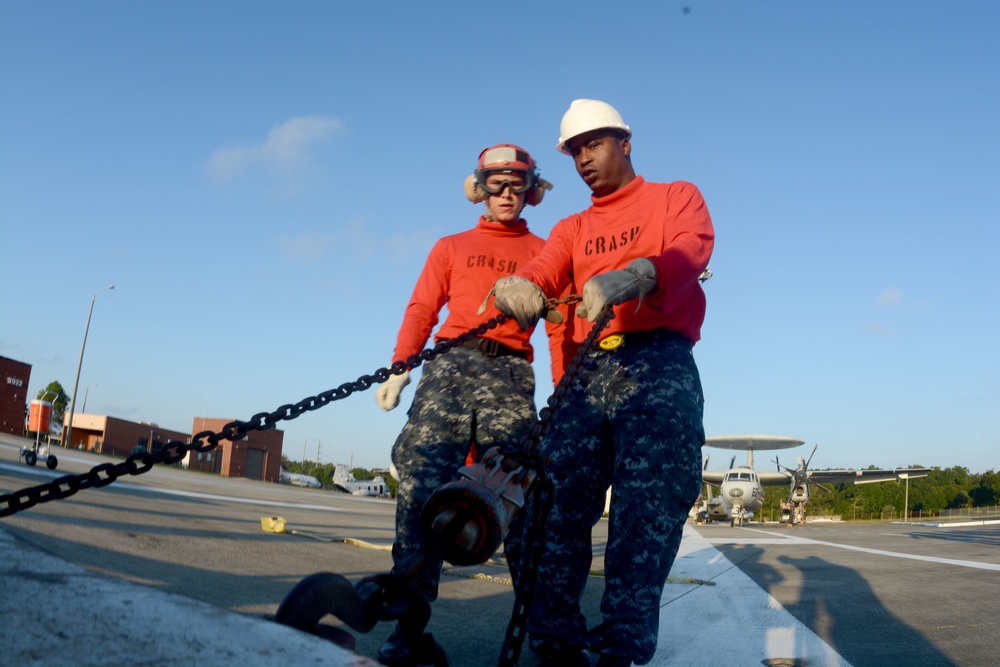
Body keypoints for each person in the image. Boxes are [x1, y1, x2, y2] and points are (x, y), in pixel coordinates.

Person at [485, 99, 715, 667]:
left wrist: (643, 273)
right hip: (587, 374)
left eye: (593, 144)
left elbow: (690, 249)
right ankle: (556, 640)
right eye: (574, 151)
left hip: (656, 360)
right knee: (548, 507)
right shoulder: (573, 227)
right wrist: (524, 285)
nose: (583, 158)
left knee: (647, 505)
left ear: (625, 142)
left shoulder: (674, 196)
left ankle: (620, 647)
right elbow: (546, 267)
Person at [374, 143, 564, 666]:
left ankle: (545, 637)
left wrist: (563, 389)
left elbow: (559, 329)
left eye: (517, 184)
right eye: (496, 184)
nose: (507, 194)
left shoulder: (548, 254)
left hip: (510, 374)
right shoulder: (450, 246)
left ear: (531, 190)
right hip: (450, 368)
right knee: (419, 489)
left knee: (522, 502)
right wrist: (400, 366)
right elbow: (422, 307)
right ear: (479, 188)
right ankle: (408, 633)